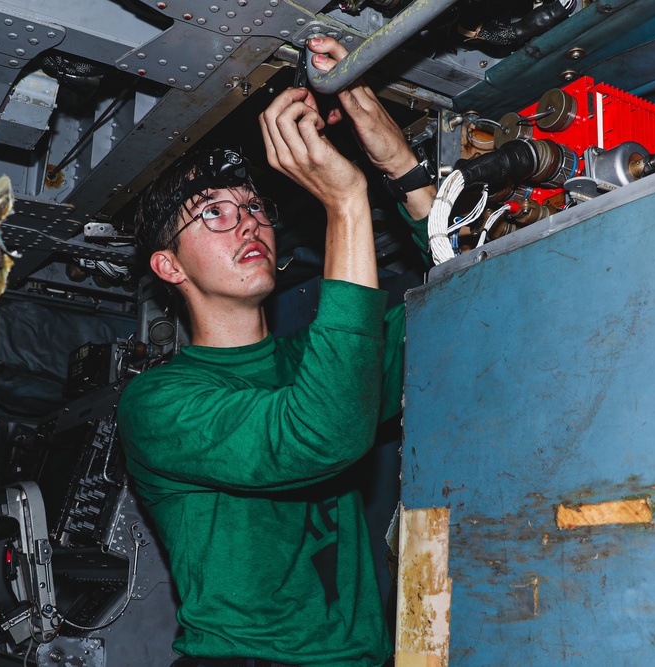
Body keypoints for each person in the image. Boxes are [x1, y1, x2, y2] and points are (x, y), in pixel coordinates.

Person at [116, 37, 434, 667]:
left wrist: (399, 161)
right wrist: (345, 206)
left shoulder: (323, 359)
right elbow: (320, 434)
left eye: (254, 206)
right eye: (212, 213)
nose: (247, 222)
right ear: (168, 265)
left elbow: (478, 289)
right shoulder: (158, 404)